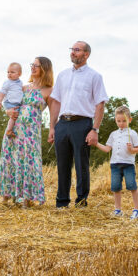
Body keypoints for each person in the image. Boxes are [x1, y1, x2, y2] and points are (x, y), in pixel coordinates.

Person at [48, 41, 108, 208]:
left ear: (86, 54)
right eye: (72, 50)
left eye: (77, 50)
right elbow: (56, 102)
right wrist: (52, 127)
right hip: (62, 124)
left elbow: (100, 104)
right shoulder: (63, 75)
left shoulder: (94, 76)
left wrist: (94, 129)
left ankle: (81, 202)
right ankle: (62, 202)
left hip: (82, 124)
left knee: (81, 165)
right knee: (62, 165)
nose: (73, 53)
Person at [0, 57, 54, 206]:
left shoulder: (49, 90)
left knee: (29, 161)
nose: (33, 68)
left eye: (37, 66)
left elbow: (54, 113)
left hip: (31, 132)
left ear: (45, 69)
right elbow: (9, 102)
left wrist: (52, 129)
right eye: (32, 65)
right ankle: (7, 197)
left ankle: (27, 199)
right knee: (10, 160)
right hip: (15, 130)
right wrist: (7, 111)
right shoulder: (23, 87)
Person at [95, 105, 138, 219]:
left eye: (124, 121)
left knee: (132, 186)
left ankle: (137, 210)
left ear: (129, 120)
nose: (121, 123)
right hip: (115, 164)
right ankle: (117, 210)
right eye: (118, 121)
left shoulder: (133, 133)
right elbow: (107, 149)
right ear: (115, 120)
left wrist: (131, 150)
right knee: (116, 187)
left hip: (128, 164)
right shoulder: (113, 134)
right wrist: (96, 143)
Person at [0, 62, 24, 138]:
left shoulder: (20, 83)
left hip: (16, 102)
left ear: (19, 74)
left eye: (12, 72)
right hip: (9, 102)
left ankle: (13, 129)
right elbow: (2, 92)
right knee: (14, 116)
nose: (9, 74)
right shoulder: (7, 82)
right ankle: (9, 130)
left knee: (16, 116)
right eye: (8, 72)